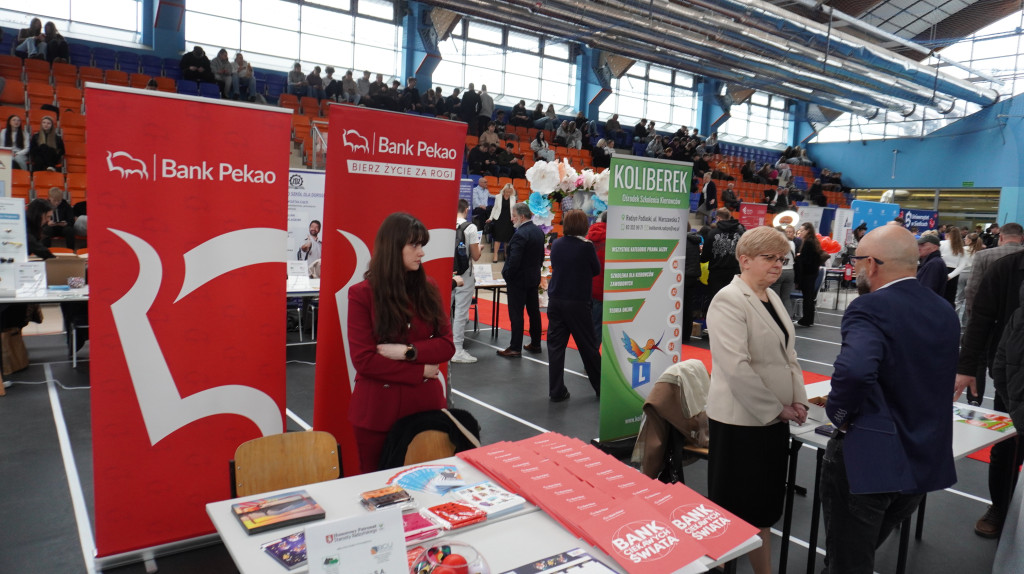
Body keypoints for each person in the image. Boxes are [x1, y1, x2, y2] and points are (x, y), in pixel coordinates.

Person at [822, 224, 959, 573]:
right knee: (863, 550)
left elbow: (854, 372)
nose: (853, 269)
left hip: (869, 455)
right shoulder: (943, 309)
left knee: (849, 559)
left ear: (871, 264)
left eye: (855, 261)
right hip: (924, 456)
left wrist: (838, 414)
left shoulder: (869, 308)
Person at [705, 225, 808, 574]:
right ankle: (718, 565)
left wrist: (800, 400)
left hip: (772, 421)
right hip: (740, 423)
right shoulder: (728, 299)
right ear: (744, 259)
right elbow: (736, 367)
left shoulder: (772, 296)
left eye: (781, 258)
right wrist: (776, 408)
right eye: (769, 258)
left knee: (762, 507)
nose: (778, 265)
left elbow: (788, 356)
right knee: (733, 507)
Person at [347, 213, 454, 473]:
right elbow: (364, 360)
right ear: (394, 247)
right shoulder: (362, 294)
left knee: (429, 483)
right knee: (377, 489)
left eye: (422, 246)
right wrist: (421, 370)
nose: (421, 253)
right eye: (414, 246)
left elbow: (447, 345)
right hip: (377, 413)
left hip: (425, 407)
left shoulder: (428, 287)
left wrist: (408, 352)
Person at [546, 210, 601, 401]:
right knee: (588, 346)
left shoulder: (557, 243)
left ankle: (556, 391)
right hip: (577, 301)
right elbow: (596, 270)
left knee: (555, 347)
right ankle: (600, 387)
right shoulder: (586, 246)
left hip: (556, 300)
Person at [498, 203, 544, 358]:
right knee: (534, 312)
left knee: (516, 314)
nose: (511, 219)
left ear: (522, 216)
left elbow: (514, 260)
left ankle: (515, 347)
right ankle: (536, 343)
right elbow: (540, 258)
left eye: (514, 216)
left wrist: (507, 275)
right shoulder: (538, 231)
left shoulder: (520, 234)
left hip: (518, 281)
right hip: (533, 278)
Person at [452, 200, 482, 364]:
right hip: (465, 274)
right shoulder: (470, 227)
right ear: (466, 210)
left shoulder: (446, 224)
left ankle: (441, 343)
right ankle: (457, 349)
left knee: (444, 310)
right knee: (461, 312)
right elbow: (475, 256)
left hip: (448, 272)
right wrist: (480, 247)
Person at [700, 208, 744, 314]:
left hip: (716, 274)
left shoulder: (712, 233)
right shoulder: (741, 232)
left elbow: (704, 258)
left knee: (717, 303)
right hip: (735, 273)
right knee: (734, 303)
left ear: (718, 218)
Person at [794, 221, 823, 326]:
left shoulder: (808, 242)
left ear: (808, 230)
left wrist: (798, 257)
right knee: (809, 297)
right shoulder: (813, 241)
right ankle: (808, 319)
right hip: (812, 272)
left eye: (802, 230)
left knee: (807, 297)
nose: (800, 232)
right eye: (800, 230)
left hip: (808, 273)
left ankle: (806, 319)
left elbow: (805, 260)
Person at [586, 211, 608, 342]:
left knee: (592, 325)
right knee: (599, 326)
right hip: (605, 289)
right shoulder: (613, 239)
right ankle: (592, 359)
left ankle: (589, 357)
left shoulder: (589, 237)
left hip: (589, 288)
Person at [954, 232, 985, 323]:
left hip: (961, 274)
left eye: (965, 239)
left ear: (970, 240)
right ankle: (966, 323)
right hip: (974, 275)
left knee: (958, 299)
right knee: (970, 300)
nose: (964, 240)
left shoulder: (962, 249)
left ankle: (954, 320)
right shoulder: (980, 251)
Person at [770, 227, 797, 318]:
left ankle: (777, 318)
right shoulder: (792, 243)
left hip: (779, 271)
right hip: (790, 271)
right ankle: (788, 319)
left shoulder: (777, 244)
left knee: (775, 297)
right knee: (786, 298)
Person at [487, 184, 517, 263]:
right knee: (498, 238)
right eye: (507, 192)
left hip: (509, 220)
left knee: (507, 239)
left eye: (510, 192)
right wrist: (490, 218)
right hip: (499, 219)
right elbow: (495, 208)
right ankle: (495, 255)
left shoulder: (513, 198)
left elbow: (514, 210)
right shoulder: (498, 197)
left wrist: (515, 218)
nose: (508, 194)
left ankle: (506, 255)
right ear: (504, 190)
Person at [939, 226, 966, 306]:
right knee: (950, 299)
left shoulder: (941, 243)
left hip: (940, 270)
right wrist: (950, 276)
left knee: (938, 296)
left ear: (946, 234)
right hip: (954, 275)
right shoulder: (961, 248)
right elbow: (962, 265)